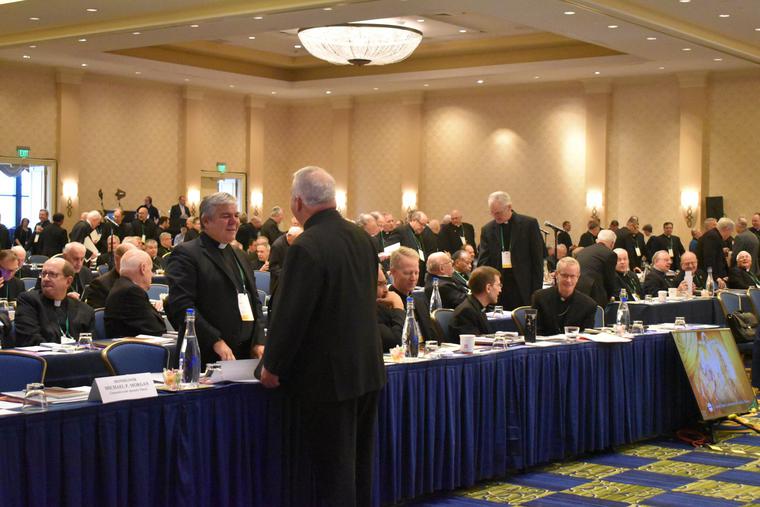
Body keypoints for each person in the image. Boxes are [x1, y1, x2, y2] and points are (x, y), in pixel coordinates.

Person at [260, 166, 386, 507]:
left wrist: (272, 365)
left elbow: (292, 315)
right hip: (367, 367)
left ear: (298, 202)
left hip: (327, 376)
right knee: (359, 464)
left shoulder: (307, 245)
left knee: (333, 471)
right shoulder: (362, 238)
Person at [165, 192, 265, 366]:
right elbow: (181, 306)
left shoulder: (240, 255)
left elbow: (254, 300)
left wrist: (258, 340)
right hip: (206, 354)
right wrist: (215, 340)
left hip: (245, 355)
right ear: (206, 221)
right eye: (226, 216)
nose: (234, 221)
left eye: (235, 215)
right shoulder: (186, 254)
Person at [477, 191, 543, 310]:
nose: (496, 216)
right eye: (492, 213)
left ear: (509, 207)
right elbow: (483, 262)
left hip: (524, 287)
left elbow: (537, 260)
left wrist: (536, 292)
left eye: (498, 212)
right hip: (498, 289)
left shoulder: (529, 224)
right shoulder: (487, 229)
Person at [15, 257, 95, 346]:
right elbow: (30, 339)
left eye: (52, 274)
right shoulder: (29, 301)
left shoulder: (85, 310)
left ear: (68, 281)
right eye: (43, 274)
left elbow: (90, 344)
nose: (45, 279)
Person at [105, 249, 166, 338]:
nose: (152, 275)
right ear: (143, 268)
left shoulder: (121, 286)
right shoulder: (131, 291)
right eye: (151, 270)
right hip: (134, 348)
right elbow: (157, 329)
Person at [388, 247, 441, 343]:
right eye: (408, 273)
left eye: (416, 273)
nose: (413, 278)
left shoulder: (420, 302)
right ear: (393, 272)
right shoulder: (386, 303)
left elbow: (433, 337)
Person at [531, 257, 597, 336]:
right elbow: (535, 332)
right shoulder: (540, 298)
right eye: (565, 275)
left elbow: (586, 338)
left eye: (572, 276)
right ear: (556, 275)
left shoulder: (589, 305)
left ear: (578, 277)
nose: (568, 280)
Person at [450, 266, 501, 341]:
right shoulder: (466, 311)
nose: (500, 290)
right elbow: (474, 343)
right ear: (488, 288)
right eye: (498, 285)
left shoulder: (478, 307)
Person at [85, 243, 137, 309]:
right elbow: (100, 314)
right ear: (117, 259)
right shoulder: (100, 285)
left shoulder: (137, 279)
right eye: (131, 259)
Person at [575, 229, 618, 306]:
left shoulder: (582, 251)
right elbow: (610, 280)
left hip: (577, 290)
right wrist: (609, 298)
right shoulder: (610, 254)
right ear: (612, 244)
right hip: (594, 294)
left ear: (597, 240)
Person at [395, 210, 436, 281]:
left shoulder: (418, 234)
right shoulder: (401, 231)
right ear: (414, 220)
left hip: (419, 274)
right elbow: (392, 252)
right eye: (422, 224)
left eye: (425, 225)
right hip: (407, 273)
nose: (423, 227)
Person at [268, 226, 302, 299]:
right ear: (289, 236)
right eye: (297, 239)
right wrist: (288, 275)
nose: (299, 241)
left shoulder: (293, 242)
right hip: (279, 284)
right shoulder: (277, 246)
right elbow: (273, 267)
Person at [376, 265, 405, 352]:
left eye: (385, 283)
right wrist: (398, 307)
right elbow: (396, 343)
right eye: (379, 284)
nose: (386, 290)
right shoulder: (365, 313)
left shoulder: (384, 306)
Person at [696, 217, 734, 282]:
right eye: (731, 231)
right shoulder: (712, 236)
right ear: (726, 229)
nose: (730, 235)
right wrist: (716, 277)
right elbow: (709, 259)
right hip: (710, 278)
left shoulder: (715, 235)